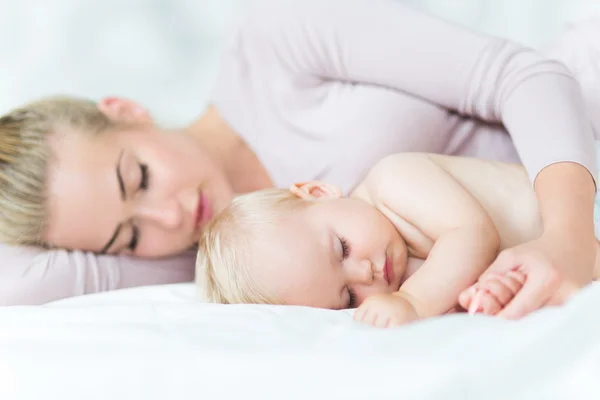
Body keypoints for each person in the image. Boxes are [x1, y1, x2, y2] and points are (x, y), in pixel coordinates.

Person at [0, 0, 598, 309]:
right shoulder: (223, 269)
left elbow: (523, 77)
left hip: (580, 109)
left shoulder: (277, 34)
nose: (169, 217)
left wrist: (570, 236)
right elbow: (17, 283)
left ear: (126, 110)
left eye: (140, 177)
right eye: (127, 238)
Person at [196, 151, 599, 327]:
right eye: (348, 297)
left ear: (318, 193)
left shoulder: (395, 179)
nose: (366, 274)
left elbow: (474, 237)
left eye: (342, 249)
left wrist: (412, 303)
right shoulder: (406, 274)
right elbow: (467, 283)